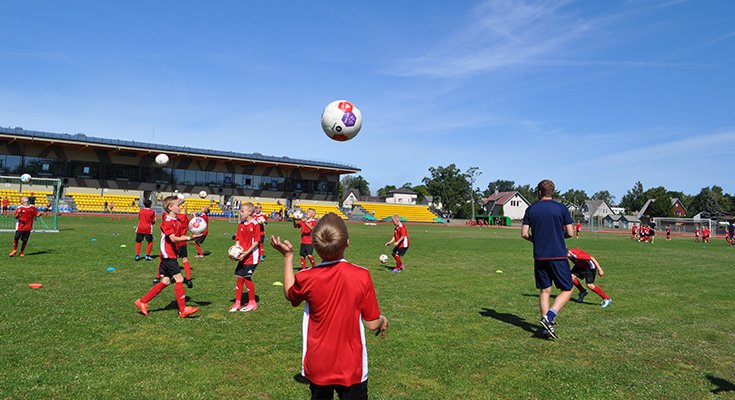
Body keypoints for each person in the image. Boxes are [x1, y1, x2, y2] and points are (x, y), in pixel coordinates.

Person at [270, 213, 388, 399]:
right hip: (351, 366)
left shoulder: (306, 277)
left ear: (315, 248)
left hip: (318, 364)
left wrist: (288, 258)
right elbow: (372, 323)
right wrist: (383, 320)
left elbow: (290, 294)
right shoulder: (361, 275)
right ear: (347, 242)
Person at [521, 179, 575, 340]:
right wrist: (559, 237)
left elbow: (524, 233)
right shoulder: (561, 208)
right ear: (553, 192)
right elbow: (571, 233)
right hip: (558, 255)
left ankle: (546, 328)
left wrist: (537, 240)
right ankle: (549, 317)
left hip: (540, 256)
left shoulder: (531, 209)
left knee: (545, 290)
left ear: (539, 192)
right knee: (568, 288)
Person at [134, 196, 200, 318]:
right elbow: (173, 238)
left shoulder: (176, 221)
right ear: (170, 207)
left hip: (171, 255)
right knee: (179, 279)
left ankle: (142, 301)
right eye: (177, 205)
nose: (179, 207)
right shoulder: (167, 222)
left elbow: (180, 234)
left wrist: (194, 230)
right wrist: (189, 238)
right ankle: (182, 310)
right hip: (168, 255)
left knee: (165, 281)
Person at [229, 202, 261, 312]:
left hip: (252, 256)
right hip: (242, 255)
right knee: (239, 278)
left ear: (249, 212)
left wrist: (245, 253)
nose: (240, 213)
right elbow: (238, 240)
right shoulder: (240, 224)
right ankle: (237, 302)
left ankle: (252, 302)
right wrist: (235, 252)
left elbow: (256, 242)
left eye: (242, 211)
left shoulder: (255, 224)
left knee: (246, 277)